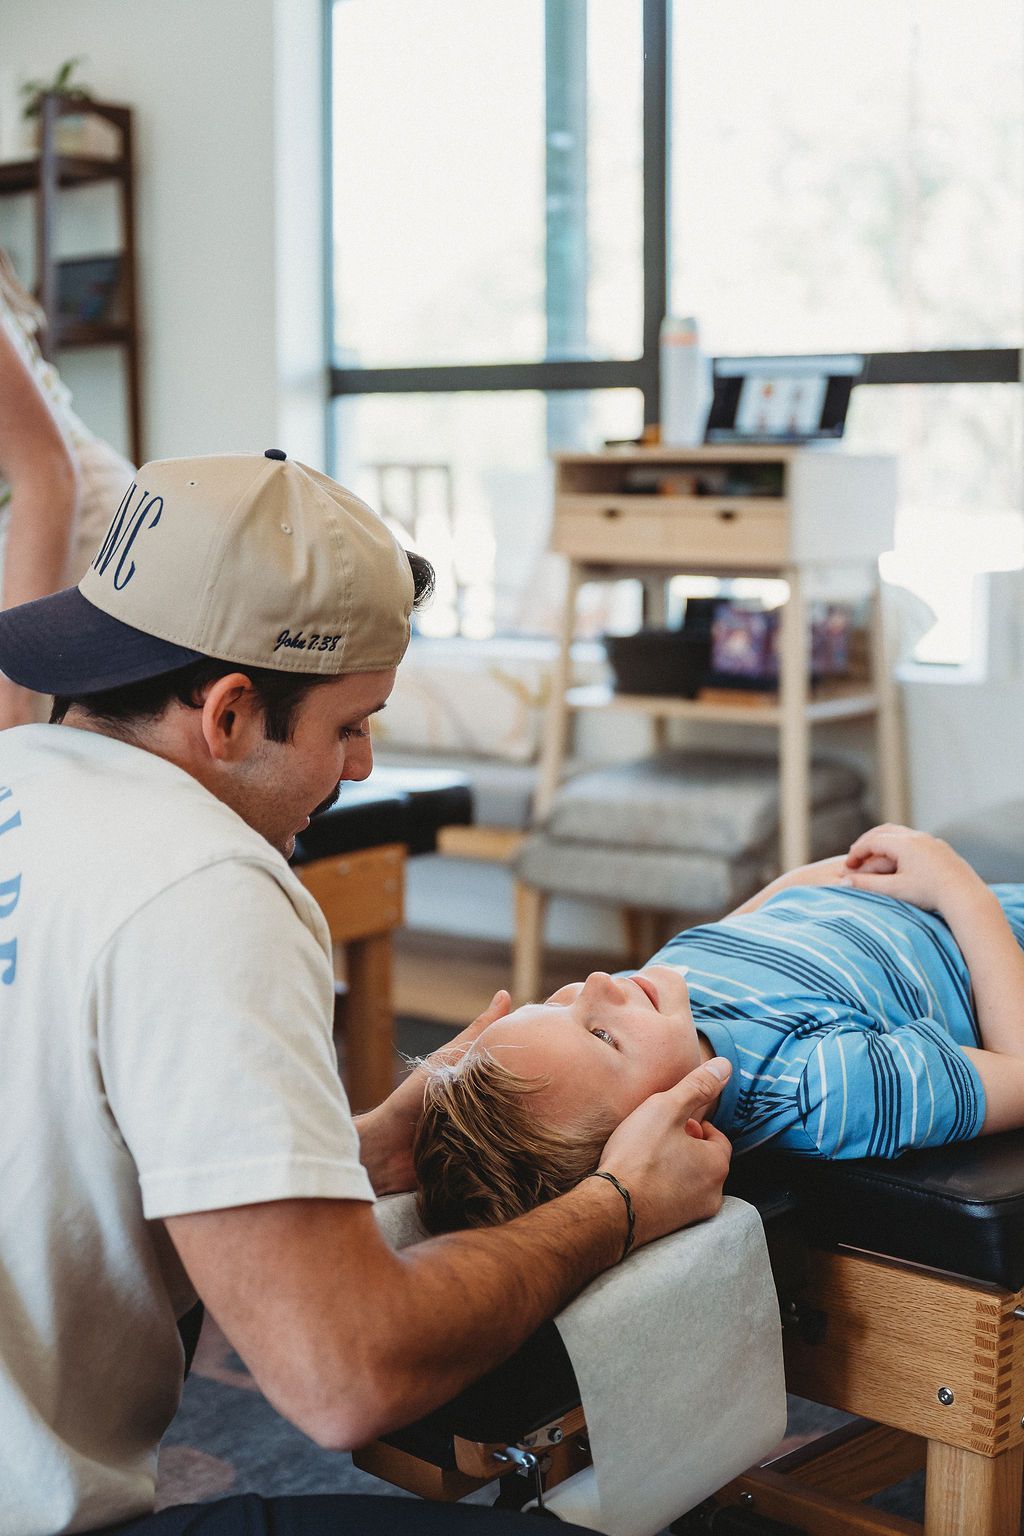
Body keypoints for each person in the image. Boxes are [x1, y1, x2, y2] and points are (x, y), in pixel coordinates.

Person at [0, 450, 734, 1536]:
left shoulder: (22, 778)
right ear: (232, 713)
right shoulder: (207, 887)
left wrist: (367, 1148)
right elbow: (343, 1375)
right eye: (349, 726)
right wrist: (617, 1206)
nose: (360, 766)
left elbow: (63, 1184)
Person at [414, 825, 1024, 1234]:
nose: (600, 983)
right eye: (602, 1036)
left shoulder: (655, 998)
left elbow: (763, 919)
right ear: (673, 1128)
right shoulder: (822, 1091)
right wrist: (954, 884)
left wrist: (861, 868)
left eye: (556, 1002)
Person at [0, 248, 135, 729]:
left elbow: (46, 473)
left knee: (34, 750)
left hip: (71, 518)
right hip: (23, 517)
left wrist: (11, 688)